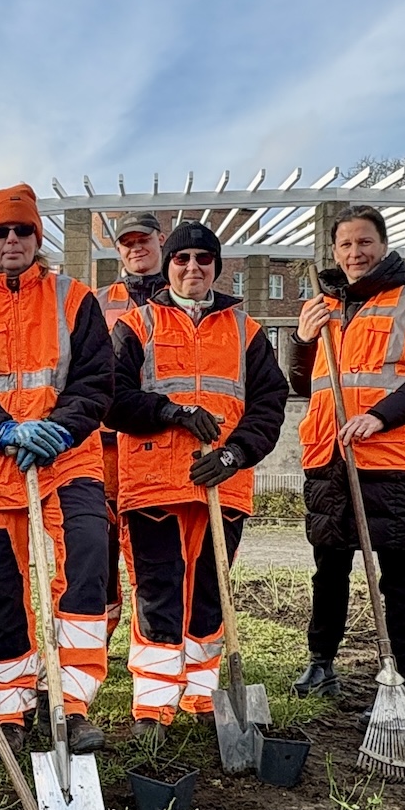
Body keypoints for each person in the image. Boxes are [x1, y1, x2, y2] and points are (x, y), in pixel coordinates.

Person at [0, 184, 114, 754]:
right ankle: (12, 710)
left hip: (65, 466)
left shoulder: (74, 298)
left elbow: (95, 380)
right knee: (1, 595)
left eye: (23, 231)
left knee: (83, 571)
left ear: (37, 238)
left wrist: (58, 428)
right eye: (1, 232)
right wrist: (3, 429)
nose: (12, 240)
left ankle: (73, 702)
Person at [109, 223, 288, 736]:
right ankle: (154, 702)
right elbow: (114, 398)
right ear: (168, 265)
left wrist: (235, 453)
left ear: (217, 266)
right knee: (158, 588)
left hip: (222, 483)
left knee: (211, 589)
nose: (192, 267)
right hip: (153, 481)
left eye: (203, 259)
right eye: (182, 258)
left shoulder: (244, 329)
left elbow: (268, 405)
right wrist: (172, 411)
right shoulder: (137, 324)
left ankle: (204, 693)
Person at [288, 207, 405, 699]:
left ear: (383, 245)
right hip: (327, 454)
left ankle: (401, 676)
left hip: (391, 456)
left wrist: (381, 415)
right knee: (329, 565)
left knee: (400, 569)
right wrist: (302, 339)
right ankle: (321, 662)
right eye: (345, 245)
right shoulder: (323, 305)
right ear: (334, 251)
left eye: (364, 243)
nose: (355, 254)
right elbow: (303, 383)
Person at [95, 211, 168, 635]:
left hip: (161, 439)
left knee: (152, 545)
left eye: (144, 239)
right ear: (118, 249)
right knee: (99, 546)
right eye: (127, 242)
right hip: (107, 442)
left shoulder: (183, 297)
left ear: (161, 240)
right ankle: (99, 642)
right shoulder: (99, 302)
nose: (136, 247)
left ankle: (153, 638)